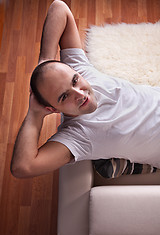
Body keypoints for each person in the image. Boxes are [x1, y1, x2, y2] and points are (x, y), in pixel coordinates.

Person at [11, 0, 160, 178]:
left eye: (75, 81)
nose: (80, 94)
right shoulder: (78, 136)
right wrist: (34, 114)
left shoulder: (80, 70)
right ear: (51, 109)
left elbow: (59, 8)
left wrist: (45, 61)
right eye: (64, 97)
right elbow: (22, 167)